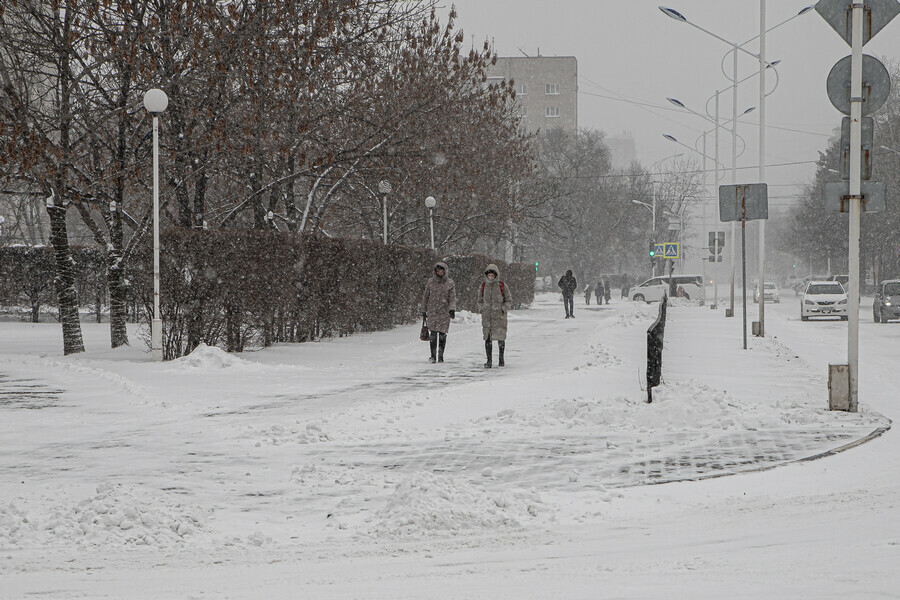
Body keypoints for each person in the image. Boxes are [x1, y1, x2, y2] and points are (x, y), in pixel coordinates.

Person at [420, 261, 456, 363]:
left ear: (445, 271)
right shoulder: (430, 282)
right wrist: (424, 310)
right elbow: (425, 296)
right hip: (432, 311)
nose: (440, 272)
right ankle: (433, 355)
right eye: (438, 270)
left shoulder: (450, 283)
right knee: (433, 333)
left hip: (444, 312)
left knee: (442, 334)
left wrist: (452, 309)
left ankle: (441, 355)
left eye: (442, 270)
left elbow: (452, 298)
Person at [477, 264, 511, 368]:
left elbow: (508, 300)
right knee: (488, 338)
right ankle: (489, 360)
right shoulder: (483, 286)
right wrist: (482, 308)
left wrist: (503, 309)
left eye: (492, 275)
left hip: (499, 317)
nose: (491, 277)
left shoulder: (502, 286)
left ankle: (501, 358)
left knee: (500, 338)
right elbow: (479, 300)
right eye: (489, 275)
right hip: (487, 317)